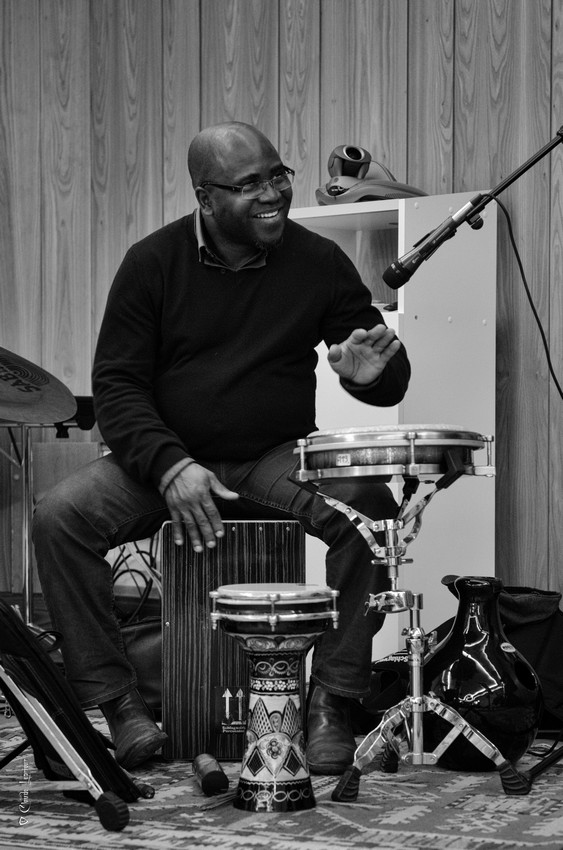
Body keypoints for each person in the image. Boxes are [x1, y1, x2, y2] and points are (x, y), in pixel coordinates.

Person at [32, 122, 410, 775]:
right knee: (58, 517)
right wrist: (169, 465)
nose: (272, 194)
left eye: (277, 175)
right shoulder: (152, 263)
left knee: (369, 510)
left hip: (271, 456)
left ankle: (332, 701)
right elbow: (117, 387)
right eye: (249, 184)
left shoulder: (318, 262)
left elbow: (384, 368)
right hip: (165, 461)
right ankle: (120, 704)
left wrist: (369, 377)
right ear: (205, 198)